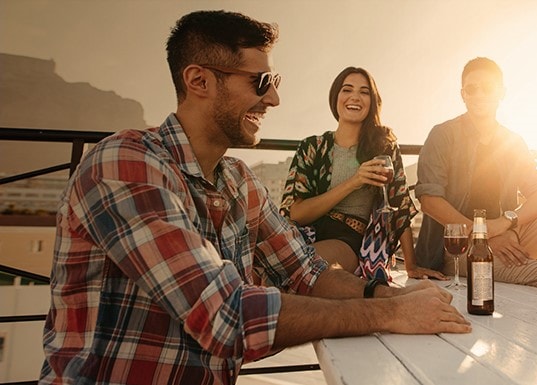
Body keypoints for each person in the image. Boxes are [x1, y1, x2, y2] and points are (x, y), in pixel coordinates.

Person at [39, 10, 470, 384]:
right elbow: (225, 316)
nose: (275, 98)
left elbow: (307, 272)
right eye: (261, 81)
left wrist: (396, 296)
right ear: (199, 80)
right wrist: (389, 316)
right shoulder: (124, 163)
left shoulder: (239, 182)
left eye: (274, 80)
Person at [412, 57, 537, 299]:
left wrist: (505, 224)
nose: (479, 94)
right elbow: (429, 201)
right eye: (472, 88)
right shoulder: (443, 135)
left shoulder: (512, 141)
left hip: (507, 237)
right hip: (457, 246)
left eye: (488, 87)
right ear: (463, 94)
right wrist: (483, 235)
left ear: (501, 92)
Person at [280, 67, 419, 283]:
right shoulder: (312, 147)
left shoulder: (383, 147)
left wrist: (412, 266)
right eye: (347, 90)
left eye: (364, 92)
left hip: (350, 238)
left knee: (304, 267)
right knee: (264, 264)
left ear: (372, 101)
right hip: (306, 234)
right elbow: (296, 213)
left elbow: (399, 206)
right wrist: (355, 181)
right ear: (336, 97)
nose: (355, 97)